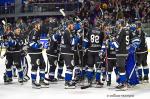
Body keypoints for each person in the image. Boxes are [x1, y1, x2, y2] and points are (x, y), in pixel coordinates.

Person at [28, 20, 49, 89]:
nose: (40, 25)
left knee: (43, 65)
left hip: (38, 52)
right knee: (35, 66)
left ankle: (41, 80)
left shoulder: (38, 31)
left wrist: (44, 45)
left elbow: (39, 41)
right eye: (39, 24)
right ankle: (33, 82)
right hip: (34, 52)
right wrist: (39, 46)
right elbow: (31, 43)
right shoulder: (34, 32)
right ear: (35, 25)